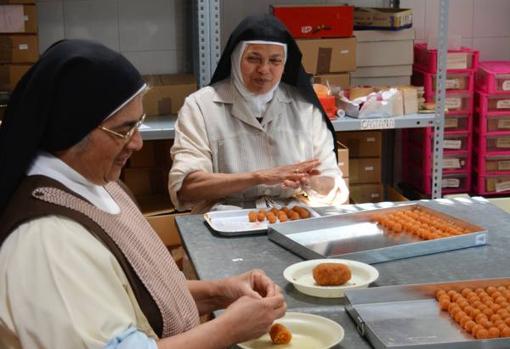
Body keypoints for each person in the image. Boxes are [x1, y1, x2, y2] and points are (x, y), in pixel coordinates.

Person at [0, 39, 286, 349]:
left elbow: (133, 293)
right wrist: (228, 329)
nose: (137, 143)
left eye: (139, 124)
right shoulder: (47, 239)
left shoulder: (96, 184)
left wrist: (219, 292)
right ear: (71, 128)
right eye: (123, 129)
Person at [169, 15, 349, 213]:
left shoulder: (305, 108)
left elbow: (333, 183)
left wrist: (312, 182)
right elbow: (187, 188)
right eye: (253, 58)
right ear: (236, 58)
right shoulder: (200, 107)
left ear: (285, 64)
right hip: (223, 217)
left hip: (291, 214)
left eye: (275, 60)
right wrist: (259, 177)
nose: (264, 69)